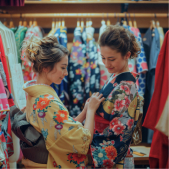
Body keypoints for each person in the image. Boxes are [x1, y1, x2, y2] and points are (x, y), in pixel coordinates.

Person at [11, 35, 105, 168]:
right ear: (45, 67)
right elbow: (82, 140)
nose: (66, 73)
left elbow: (62, 130)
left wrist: (84, 112)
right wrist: (91, 111)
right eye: (62, 67)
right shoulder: (47, 102)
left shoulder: (35, 96)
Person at [90, 25, 141, 168]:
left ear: (127, 55)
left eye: (111, 59)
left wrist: (91, 112)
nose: (106, 63)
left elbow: (119, 133)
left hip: (115, 157)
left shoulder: (125, 87)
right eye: (103, 58)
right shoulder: (115, 77)